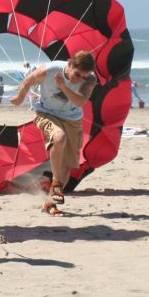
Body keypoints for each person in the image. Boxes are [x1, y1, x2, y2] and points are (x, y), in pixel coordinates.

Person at [10, 51, 97, 215]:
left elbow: (80, 101)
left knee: (67, 166)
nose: (78, 79)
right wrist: (20, 97)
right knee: (59, 137)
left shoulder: (90, 79)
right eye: (77, 74)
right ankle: (56, 183)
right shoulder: (49, 70)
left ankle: (50, 204)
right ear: (70, 64)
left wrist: (64, 86)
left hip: (73, 119)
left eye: (82, 77)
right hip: (46, 113)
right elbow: (28, 80)